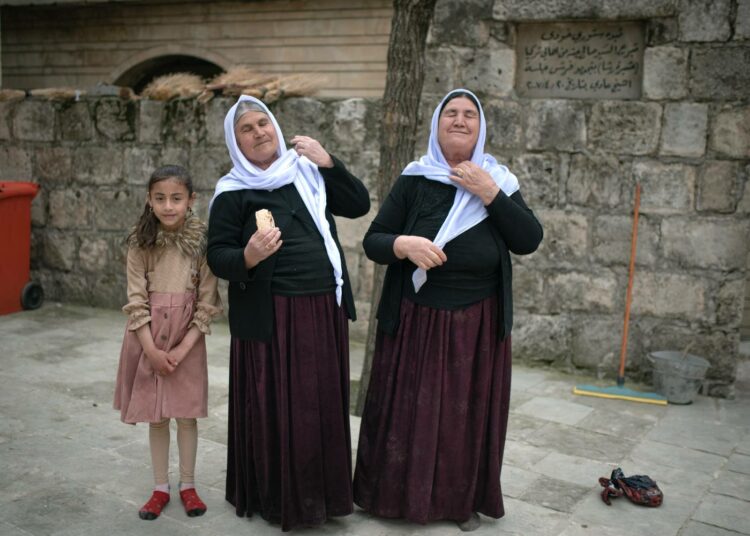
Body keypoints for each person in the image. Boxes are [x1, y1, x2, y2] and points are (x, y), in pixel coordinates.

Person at [353, 89, 543, 531]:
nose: (460, 120)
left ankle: (461, 502)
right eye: (451, 114)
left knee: (465, 415)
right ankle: (393, 497)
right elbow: (374, 241)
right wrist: (405, 244)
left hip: (477, 322)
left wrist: (490, 193)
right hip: (417, 317)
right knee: (408, 413)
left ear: (480, 128)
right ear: (437, 125)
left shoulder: (499, 181)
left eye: (469, 115)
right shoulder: (415, 179)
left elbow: (528, 240)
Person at [207, 95, 370, 531]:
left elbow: (357, 205)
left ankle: (325, 495)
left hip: (323, 305)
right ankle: (280, 498)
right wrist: (248, 254)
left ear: (276, 128)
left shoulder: (308, 172)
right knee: (278, 405)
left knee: (319, 404)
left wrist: (328, 160)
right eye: (248, 128)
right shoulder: (233, 192)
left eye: (264, 124)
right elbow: (217, 256)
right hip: (271, 316)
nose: (259, 132)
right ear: (235, 141)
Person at [113, 165, 222, 520]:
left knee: (186, 417)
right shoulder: (139, 243)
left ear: (191, 200)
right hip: (148, 340)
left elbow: (207, 301)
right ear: (149, 200)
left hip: (186, 342)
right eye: (160, 198)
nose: (168, 206)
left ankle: (188, 485)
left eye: (176, 198)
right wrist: (151, 350)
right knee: (156, 418)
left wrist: (180, 349)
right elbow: (135, 299)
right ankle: (160, 487)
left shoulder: (203, 244)